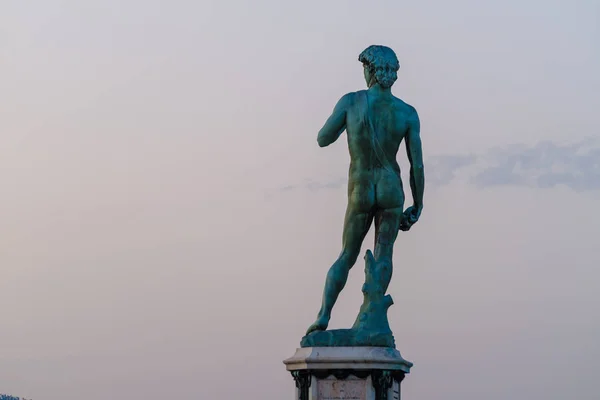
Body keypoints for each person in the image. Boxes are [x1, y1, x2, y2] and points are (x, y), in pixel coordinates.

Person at [306, 45, 425, 335]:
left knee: (347, 254)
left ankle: (323, 316)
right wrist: (418, 205)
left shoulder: (351, 102)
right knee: (384, 252)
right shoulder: (407, 113)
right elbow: (417, 166)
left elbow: (323, 138)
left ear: (370, 71)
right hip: (391, 189)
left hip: (361, 188)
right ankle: (373, 314)